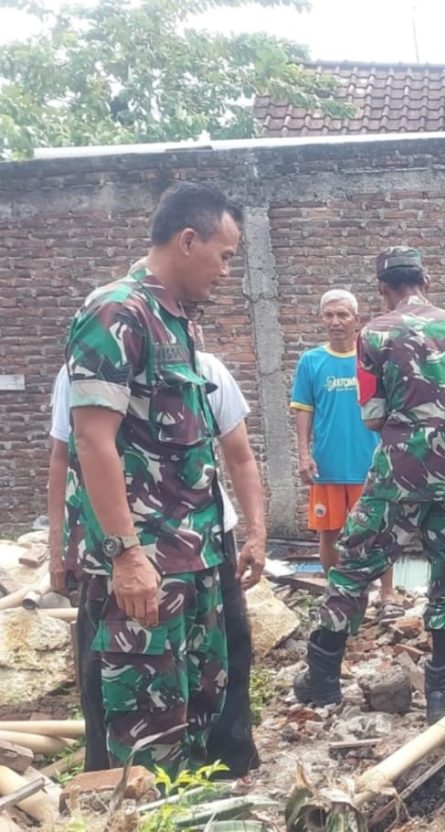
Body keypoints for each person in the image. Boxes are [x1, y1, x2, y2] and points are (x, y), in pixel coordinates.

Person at [66, 183, 263, 774]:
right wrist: (126, 554)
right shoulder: (115, 312)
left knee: (199, 717)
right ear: (186, 240)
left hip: (193, 555)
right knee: (141, 734)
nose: (227, 270)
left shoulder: (177, 321)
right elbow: (92, 440)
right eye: (224, 255)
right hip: (144, 564)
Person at [294, 247, 445, 725]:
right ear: (425, 280)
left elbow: (372, 418)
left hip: (401, 471)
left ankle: (324, 682)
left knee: (353, 566)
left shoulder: (372, 334)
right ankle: (438, 698)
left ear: (383, 289)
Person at [49, 343, 265, 775]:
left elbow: (240, 455)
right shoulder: (87, 373)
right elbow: (64, 456)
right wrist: (59, 545)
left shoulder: (205, 370)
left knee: (225, 652)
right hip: (120, 545)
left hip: (207, 539)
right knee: (109, 665)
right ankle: (111, 775)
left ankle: (225, 763)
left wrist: (257, 533)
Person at [290, 290, 387, 610]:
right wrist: (304, 454)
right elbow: (303, 409)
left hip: (369, 462)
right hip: (328, 465)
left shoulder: (372, 357)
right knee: (329, 532)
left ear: (356, 319)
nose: (336, 321)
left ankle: (387, 595)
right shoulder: (311, 361)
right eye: (329, 315)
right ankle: (337, 594)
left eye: (343, 315)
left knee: (376, 532)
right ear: (321, 319)